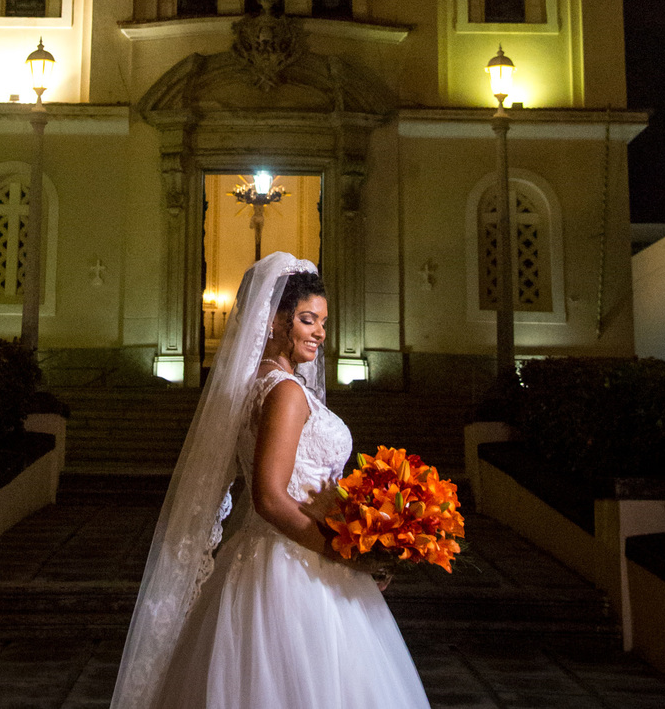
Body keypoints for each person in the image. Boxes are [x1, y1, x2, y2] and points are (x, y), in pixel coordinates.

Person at [110, 252, 430, 709]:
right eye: (307, 319)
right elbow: (269, 497)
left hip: (270, 553)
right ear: (275, 321)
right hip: (294, 565)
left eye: (322, 321)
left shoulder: (258, 383)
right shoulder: (285, 392)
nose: (319, 331)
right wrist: (346, 556)